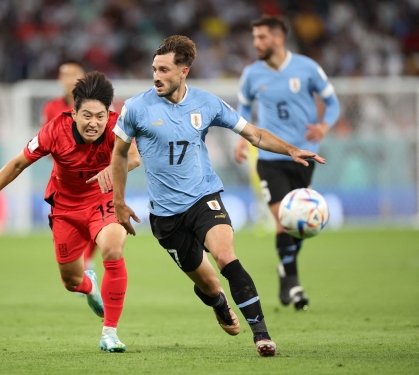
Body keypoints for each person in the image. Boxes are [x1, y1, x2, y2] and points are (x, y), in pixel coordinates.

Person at [111, 35, 325, 357]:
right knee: (210, 286)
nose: (156, 76)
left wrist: (290, 149)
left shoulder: (207, 103)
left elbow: (254, 134)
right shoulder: (135, 108)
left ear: (184, 71)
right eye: (154, 69)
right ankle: (219, 302)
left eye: (165, 70)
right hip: (166, 216)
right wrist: (119, 202)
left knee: (226, 257)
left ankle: (262, 336)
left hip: (204, 198)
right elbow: (118, 155)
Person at [0, 71, 140, 352]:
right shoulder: (54, 130)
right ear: (73, 112)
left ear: (107, 113)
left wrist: (111, 170)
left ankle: (109, 332)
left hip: (102, 201)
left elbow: (134, 157)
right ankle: (89, 286)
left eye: (99, 116)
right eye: (86, 115)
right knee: (71, 281)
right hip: (65, 208)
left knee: (112, 248)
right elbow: (16, 164)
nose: (93, 123)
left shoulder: (116, 126)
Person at [234, 16, 341, 310]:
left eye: (262, 38)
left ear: (279, 39)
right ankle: (295, 285)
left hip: (305, 156)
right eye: (254, 37)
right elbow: (243, 107)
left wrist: (324, 127)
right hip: (269, 158)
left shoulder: (307, 68)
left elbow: (334, 104)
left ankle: (285, 271)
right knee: (284, 220)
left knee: (299, 226)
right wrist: (242, 139)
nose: (256, 43)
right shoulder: (251, 74)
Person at [41, 60, 98, 271]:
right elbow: (45, 144)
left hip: (93, 175)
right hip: (65, 179)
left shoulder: (95, 104)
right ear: (59, 79)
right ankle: (79, 265)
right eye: (65, 74)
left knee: (97, 222)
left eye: (74, 74)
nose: (70, 79)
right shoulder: (51, 108)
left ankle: (88, 262)